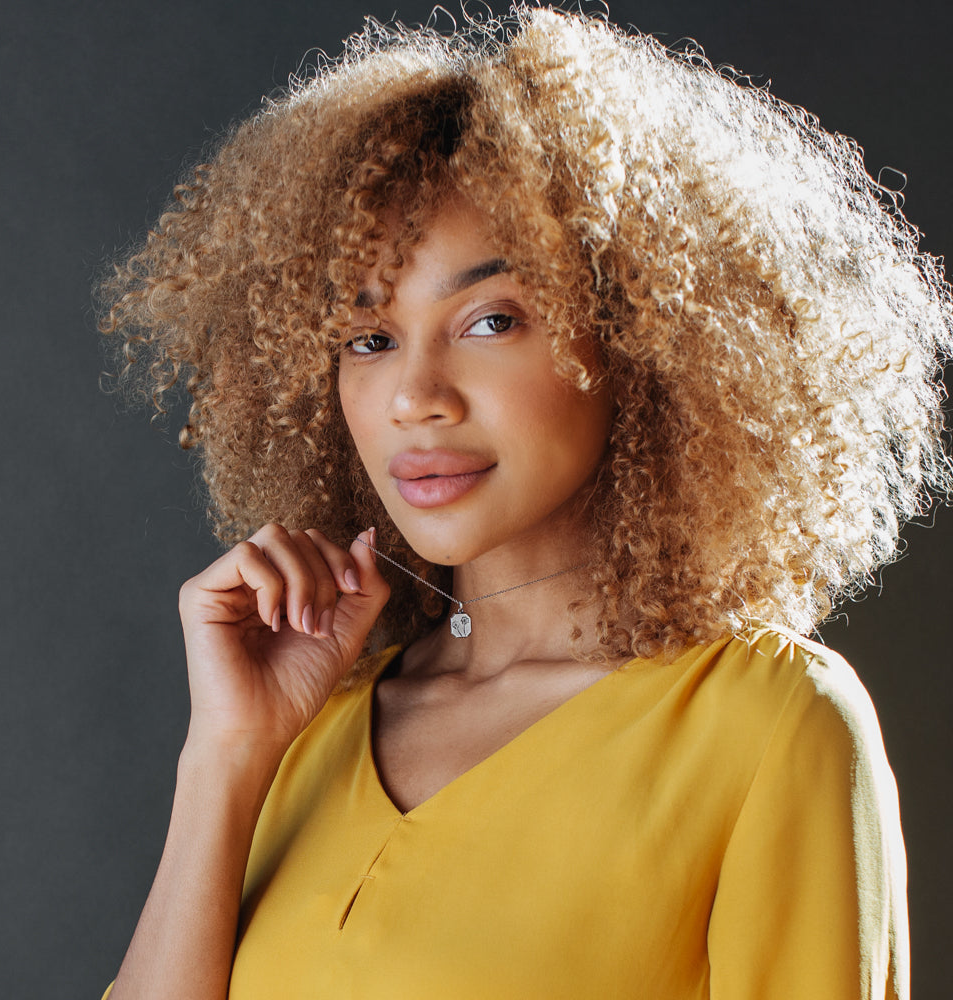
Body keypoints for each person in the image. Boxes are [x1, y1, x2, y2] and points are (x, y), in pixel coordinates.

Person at [96, 7, 951, 998]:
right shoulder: (307, 729)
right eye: (369, 338)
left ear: (636, 336)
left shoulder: (765, 725)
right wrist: (226, 755)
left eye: (490, 319)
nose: (416, 395)